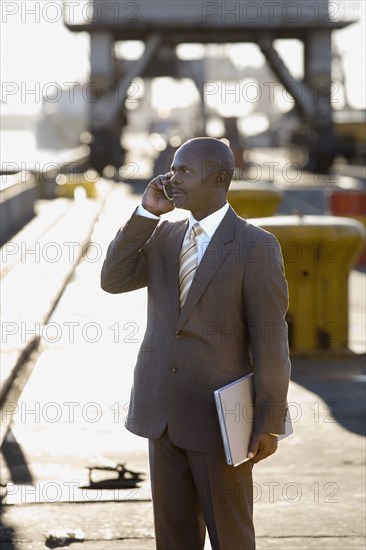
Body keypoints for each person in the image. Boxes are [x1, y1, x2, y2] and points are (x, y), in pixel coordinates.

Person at [101, 137, 291, 550]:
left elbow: (271, 342)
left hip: (222, 421)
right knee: (173, 540)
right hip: (162, 414)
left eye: (183, 170)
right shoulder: (164, 238)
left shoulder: (256, 246)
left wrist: (268, 422)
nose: (171, 178)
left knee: (232, 538)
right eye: (172, 169)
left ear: (218, 178)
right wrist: (145, 214)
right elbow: (112, 280)